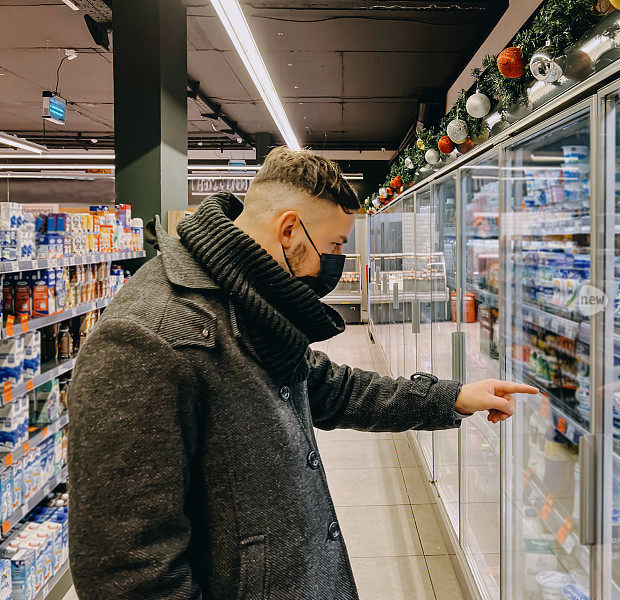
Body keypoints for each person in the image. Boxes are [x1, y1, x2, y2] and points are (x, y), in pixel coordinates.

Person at [68, 147, 537, 599]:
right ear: (289, 229)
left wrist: (449, 398)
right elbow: (127, 569)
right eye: (333, 245)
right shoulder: (147, 338)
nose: (334, 262)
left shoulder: (243, 300)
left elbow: (330, 388)